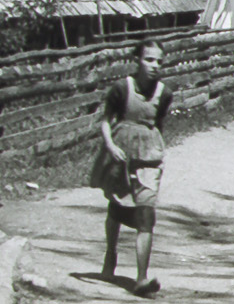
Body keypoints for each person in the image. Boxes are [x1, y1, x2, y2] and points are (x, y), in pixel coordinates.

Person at [89, 39, 172, 297]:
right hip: (121, 155)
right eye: (149, 59)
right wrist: (111, 146)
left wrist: (157, 151)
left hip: (149, 158)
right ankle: (110, 254)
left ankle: (141, 278)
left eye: (159, 61)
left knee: (146, 214)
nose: (154, 65)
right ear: (137, 61)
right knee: (117, 208)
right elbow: (105, 121)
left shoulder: (164, 93)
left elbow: (157, 125)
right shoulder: (121, 89)